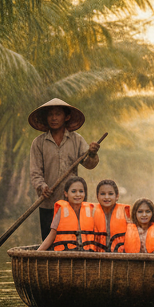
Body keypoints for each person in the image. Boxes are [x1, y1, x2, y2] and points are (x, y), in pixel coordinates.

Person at [29, 98, 99, 240]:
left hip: (72, 203)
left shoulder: (77, 140)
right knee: (49, 242)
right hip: (48, 202)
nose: (54, 118)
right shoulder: (38, 143)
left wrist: (92, 153)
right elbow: (35, 173)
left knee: (73, 240)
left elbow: (89, 164)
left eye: (58, 114)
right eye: (50, 115)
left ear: (66, 117)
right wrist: (42, 187)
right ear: (46, 118)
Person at [38, 176, 96, 251]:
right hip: (64, 254)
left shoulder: (91, 211)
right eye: (73, 191)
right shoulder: (61, 210)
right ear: (66, 193)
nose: (78, 194)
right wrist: (37, 252)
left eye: (81, 191)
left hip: (87, 255)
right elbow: (52, 235)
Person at [91, 179, 129, 252]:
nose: (106, 197)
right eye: (102, 194)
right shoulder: (91, 213)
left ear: (117, 196)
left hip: (121, 257)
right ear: (97, 197)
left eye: (110, 194)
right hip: (96, 256)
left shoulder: (126, 214)